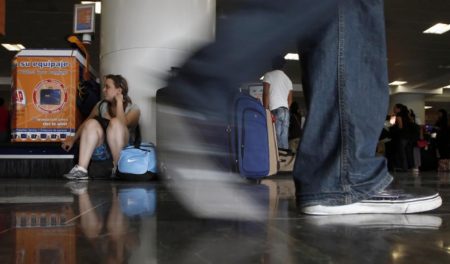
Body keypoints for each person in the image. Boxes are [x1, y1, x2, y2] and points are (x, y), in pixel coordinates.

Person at [165, 0, 441, 215]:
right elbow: (280, 98)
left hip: (280, 112)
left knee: (343, 12)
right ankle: (205, 83)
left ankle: (334, 177)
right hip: (277, 109)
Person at [62, 74, 141, 180]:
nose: (104, 90)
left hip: (122, 149)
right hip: (103, 150)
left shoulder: (134, 109)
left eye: (107, 87)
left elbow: (123, 125)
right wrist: (73, 139)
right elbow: (85, 124)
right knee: (90, 123)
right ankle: (81, 170)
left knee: (115, 122)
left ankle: (119, 168)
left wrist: (119, 103)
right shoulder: (101, 105)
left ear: (118, 90)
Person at [262, 56, 293, 150]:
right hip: (286, 111)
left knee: (275, 138)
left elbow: (266, 94)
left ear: (272, 64)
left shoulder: (268, 75)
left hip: (274, 109)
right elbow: (290, 100)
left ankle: (276, 161)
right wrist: (285, 110)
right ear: (283, 66)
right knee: (284, 137)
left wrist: (266, 110)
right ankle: (284, 160)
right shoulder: (288, 80)